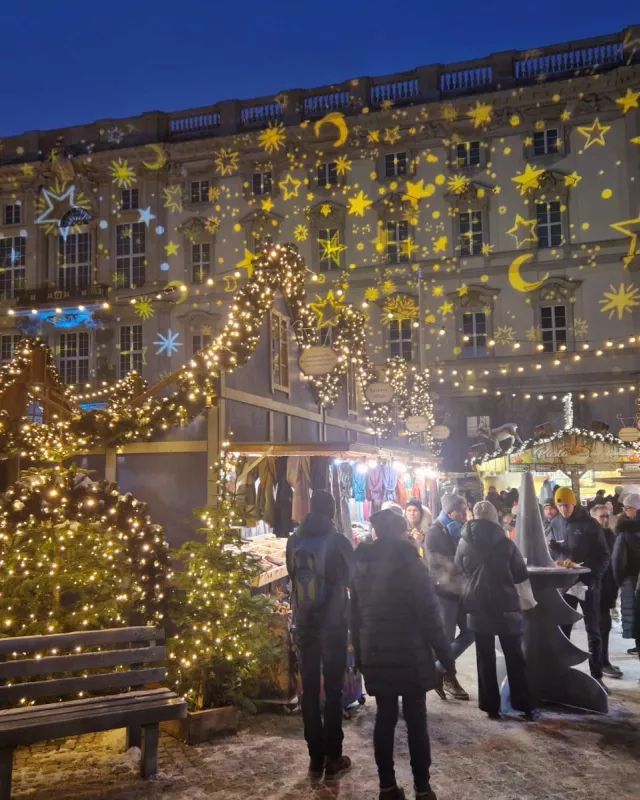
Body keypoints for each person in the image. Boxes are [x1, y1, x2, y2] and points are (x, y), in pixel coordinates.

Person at [352, 508, 455, 800]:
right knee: (416, 720)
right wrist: (445, 655)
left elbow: (353, 616)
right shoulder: (411, 562)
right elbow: (429, 613)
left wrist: (360, 654)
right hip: (411, 653)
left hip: (375, 651)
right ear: (400, 532)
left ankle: (387, 787)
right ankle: (422, 788)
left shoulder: (360, 563)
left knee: (384, 718)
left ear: (376, 532)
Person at [286, 490, 354, 778]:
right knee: (335, 688)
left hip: (304, 623)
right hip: (333, 624)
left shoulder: (294, 540)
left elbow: (293, 575)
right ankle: (333, 755)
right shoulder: (339, 541)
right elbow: (353, 578)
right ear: (333, 511)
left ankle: (315, 757)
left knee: (310, 690)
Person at [455, 501, 540, 722]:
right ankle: (524, 706)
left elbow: (459, 569)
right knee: (515, 657)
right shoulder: (505, 543)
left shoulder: (463, 543)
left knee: (484, 657)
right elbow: (520, 574)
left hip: (477, 607)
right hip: (505, 607)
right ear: (494, 518)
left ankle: (490, 707)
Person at [547, 487, 610, 690]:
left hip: (587, 584)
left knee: (593, 630)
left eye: (566, 505)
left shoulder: (590, 525)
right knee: (563, 629)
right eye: (559, 505)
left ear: (574, 503)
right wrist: (554, 551)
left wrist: (592, 578)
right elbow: (552, 552)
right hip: (565, 584)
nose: (563, 509)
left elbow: (604, 556)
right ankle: (559, 673)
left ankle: (597, 676)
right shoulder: (555, 523)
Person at [425, 494, 473, 700]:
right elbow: (435, 563)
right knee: (446, 638)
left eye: (465, 510)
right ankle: (448, 677)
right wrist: (462, 562)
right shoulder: (435, 532)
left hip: (461, 590)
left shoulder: (461, 529)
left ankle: (438, 669)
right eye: (460, 510)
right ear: (449, 511)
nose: (464, 514)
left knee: (470, 632)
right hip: (444, 592)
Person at [590, 504, 623, 678]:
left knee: (604, 626)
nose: (604, 519)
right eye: (601, 516)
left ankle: (604, 661)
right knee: (600, 627)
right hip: (596, 587)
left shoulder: (611, 535)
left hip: (609, 587)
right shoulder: (591, 537)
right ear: (593, 518)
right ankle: (601, 663)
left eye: (606, 516)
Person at [612, 515, 640, 666]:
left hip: (630, 579)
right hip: (633, 580)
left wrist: (619, 581)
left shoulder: (625, 534)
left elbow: (617, 560)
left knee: (635, 617)